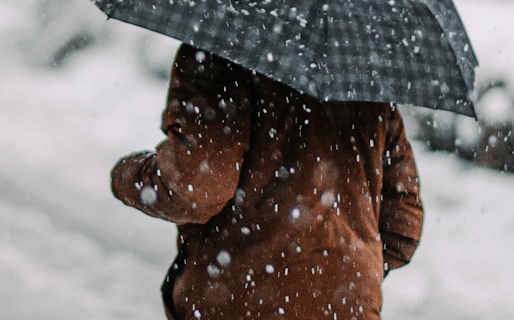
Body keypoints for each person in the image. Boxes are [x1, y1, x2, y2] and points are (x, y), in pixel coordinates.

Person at [111, 44, 425, 320]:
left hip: (239, 300)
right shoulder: (362, 75)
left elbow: (195, 190)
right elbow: (402, 226)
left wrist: (128, 176)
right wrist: (337, 277)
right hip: (349, 307)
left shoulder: (222, 50)